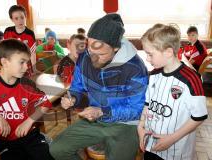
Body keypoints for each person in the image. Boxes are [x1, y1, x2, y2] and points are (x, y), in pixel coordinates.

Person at [49, 13, 148, 160]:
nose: (93, 58)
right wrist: (73, 98)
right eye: (91, 50)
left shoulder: (135, 68)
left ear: (116, 48)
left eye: (100, 54)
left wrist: (103, 111)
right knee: (57, 149)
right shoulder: (84, 57)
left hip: (125, 124)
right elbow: (77, 87)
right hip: (94, 120)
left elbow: (136, 110)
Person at [0, 39, 54, 160]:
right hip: (2, 142)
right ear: (5, 62)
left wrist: (29, 121)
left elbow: (45, 104)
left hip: (29, 137)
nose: (27, 67)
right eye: (22, 62)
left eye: (27, 62)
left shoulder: (27, 85)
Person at [138, 24, 208, 160]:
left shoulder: (191, 79)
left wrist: (171, 139)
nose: (147, 58)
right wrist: (140, 126)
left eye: (150, 54)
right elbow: (147, 104)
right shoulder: (153, 75)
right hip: (151, 144)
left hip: (176, 150)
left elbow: (199, 116)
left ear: (168, 52)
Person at [4, 5, 36, 76]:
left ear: (25, 17)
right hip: (11, 65)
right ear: (12, 19)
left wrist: (34, 70)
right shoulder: (7, 31)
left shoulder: (30, 34)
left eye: (22, 17)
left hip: (26, 66)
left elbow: (33, 54)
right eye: (16, 18)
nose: (20, 20)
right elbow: (5, 51)